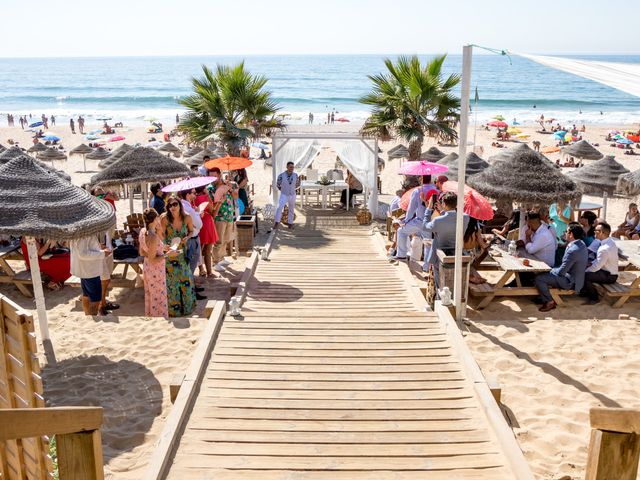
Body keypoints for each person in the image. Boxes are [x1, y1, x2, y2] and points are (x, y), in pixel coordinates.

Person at [535, 225, 588, 312]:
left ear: (571, 235)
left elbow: (561, 272)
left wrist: (550, 270)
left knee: (539, 278)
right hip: (577, 280)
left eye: (566, 232)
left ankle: (549, 302)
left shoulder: (573, 250)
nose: (564, 233)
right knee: (545, 273)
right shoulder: (581, 244)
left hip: (570, 282)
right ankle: (542, 296)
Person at [423, 192, 469, 286]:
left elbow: (425, 226)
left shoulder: (438, 220)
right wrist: (443, 211)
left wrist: (428, 209)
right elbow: (451, 220)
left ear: (443, 204)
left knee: (439, 284)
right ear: (456, 204)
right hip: (457, 253)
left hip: (439, 256)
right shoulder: (465, 217)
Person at [160, 195, 196, 317]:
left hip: (183, 253)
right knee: (172, 283)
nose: (172, 207)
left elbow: (192, 231)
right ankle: (174, 311)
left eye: (175, 204)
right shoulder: (164, 219)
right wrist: (165, 246)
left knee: (186, 280)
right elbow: (161, 235)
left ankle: (187, 308)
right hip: (170, 253)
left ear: (180, 205)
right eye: (170, 205)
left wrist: (188, 237)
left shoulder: (187, 217)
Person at [391, 175, 436, 261]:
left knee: (401, 231)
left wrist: (406, 221)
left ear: (421, 179)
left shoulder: (418, 191)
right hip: (432, 221)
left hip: (420, 220)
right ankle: (426, 266)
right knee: (428, 243)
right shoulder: (436, 190)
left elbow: (411, 209)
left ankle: (401, 255)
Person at [138, 208, 169, 318]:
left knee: (150, 294)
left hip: (147, 267)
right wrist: (167, 255)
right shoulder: (153, 236)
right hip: (155, 269)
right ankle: (159, 318)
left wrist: (162, 248)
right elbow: (153, 259)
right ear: (155, 218)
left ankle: (151, 315)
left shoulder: (143, 232)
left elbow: (142, 252)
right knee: (158, 295)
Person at [70, 235, 110, 316]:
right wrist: (102, 253)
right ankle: (92, 317)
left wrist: (99, 249)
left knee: (87, 295)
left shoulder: (81, 232)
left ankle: (88, 316)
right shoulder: (85, 234)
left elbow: (83, 250)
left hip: (87, 270)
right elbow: (82, 254)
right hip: (90, 271)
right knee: (95, 299)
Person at [178, 188, 207, 300]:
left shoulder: (184, 206)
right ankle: (190, 291)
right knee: (191, 266)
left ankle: (192, 287)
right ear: (188, 195)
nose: (195, 195)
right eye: (194, 193)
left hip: (189, 237)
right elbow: (199, 225)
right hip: (191, 238)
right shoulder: (187, 208)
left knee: (190, 265)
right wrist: (198, 214)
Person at [581, 222, 618, 305]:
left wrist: (586, 270)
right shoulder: (609, 242)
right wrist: (590, 263)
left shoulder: (604, 248)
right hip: (609, 272)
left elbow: (597, 266)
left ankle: (594, 298)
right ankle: (586, 291)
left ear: (601, 232)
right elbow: (599, 261)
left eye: (596, 231)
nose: (594, 232)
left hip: (609, 276)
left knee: (585, 275)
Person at [209, 168, 236, 272]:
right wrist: (221, 199)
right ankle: (215, 262)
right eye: (210, 176)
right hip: (219, 217)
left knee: (226, 239)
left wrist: (230, 188)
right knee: (218, 240)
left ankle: (221, 258)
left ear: (219, 175)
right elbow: (213, 203)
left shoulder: (226, 184)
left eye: (214, 176)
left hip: (229, 215)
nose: (213, 179)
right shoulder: (211, 188)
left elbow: (234, 197)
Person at [195, 185, 219, 277]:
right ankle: (209, 272)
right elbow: (212, 212)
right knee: (208, 250)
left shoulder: (193, 199)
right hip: (207, 223)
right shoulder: (206, 197)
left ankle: (201, 270)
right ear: (203, 189)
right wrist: (218, 203)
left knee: (199, 249)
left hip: (198, 223)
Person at [274, 161, 300, 230]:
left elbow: (298, 184)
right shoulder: (281, 175)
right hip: (284, 194)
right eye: (290, 167)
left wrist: (293, 189)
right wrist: (283, 190)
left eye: (293, 167)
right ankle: (277, 222)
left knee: (291, 209)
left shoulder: (295, 175)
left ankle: (290, 223)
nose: (292, 168)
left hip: (292, 194)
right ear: (287, 167)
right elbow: (278, 184)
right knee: (279, 208)